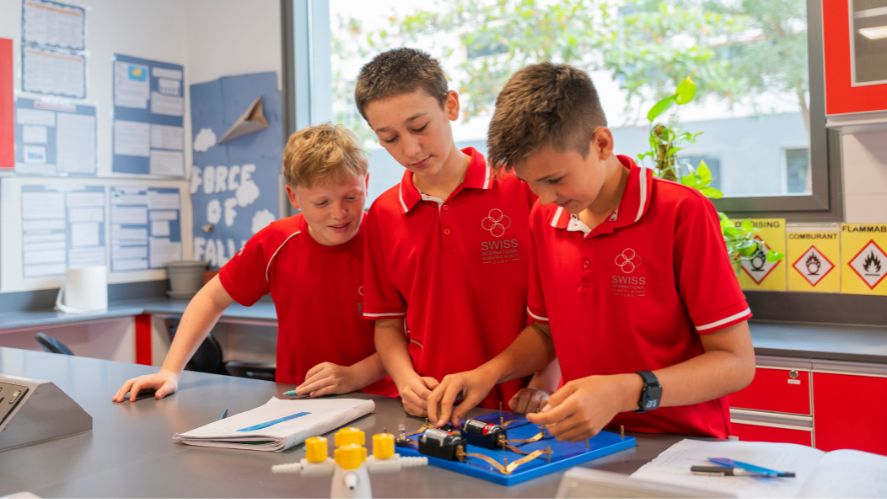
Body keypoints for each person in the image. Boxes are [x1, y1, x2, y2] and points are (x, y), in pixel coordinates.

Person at [427, 62, 755, 440]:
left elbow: (736, 363)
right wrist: (487, 373)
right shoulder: (545, 217)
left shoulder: (681, 212)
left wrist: (623, 391)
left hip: (680, 442)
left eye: (555, 179)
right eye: (532, 184)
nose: (546, 197)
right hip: (586, 440)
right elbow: (545, 332)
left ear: (601, 143)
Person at [113, 124, 394, 403]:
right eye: (321, 203)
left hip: (380, 401)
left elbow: (410, 334)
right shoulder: (275, 241)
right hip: (298, 398)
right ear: (293, 196)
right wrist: (170, 371)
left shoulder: (388, 241)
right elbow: (211, 298)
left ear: (366, 183)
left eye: (351, 197)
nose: (339, 213)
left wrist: (355, 376)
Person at [355, 48, 559, 417]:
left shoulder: (522, 189)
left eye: (419, 127)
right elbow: (387, 323)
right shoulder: (384, 215)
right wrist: (406, 382)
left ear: (450, 106)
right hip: (436, 407)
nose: (410, 148)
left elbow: (561, 305)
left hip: (524, 402)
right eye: (389, 138)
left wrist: (546, 380)